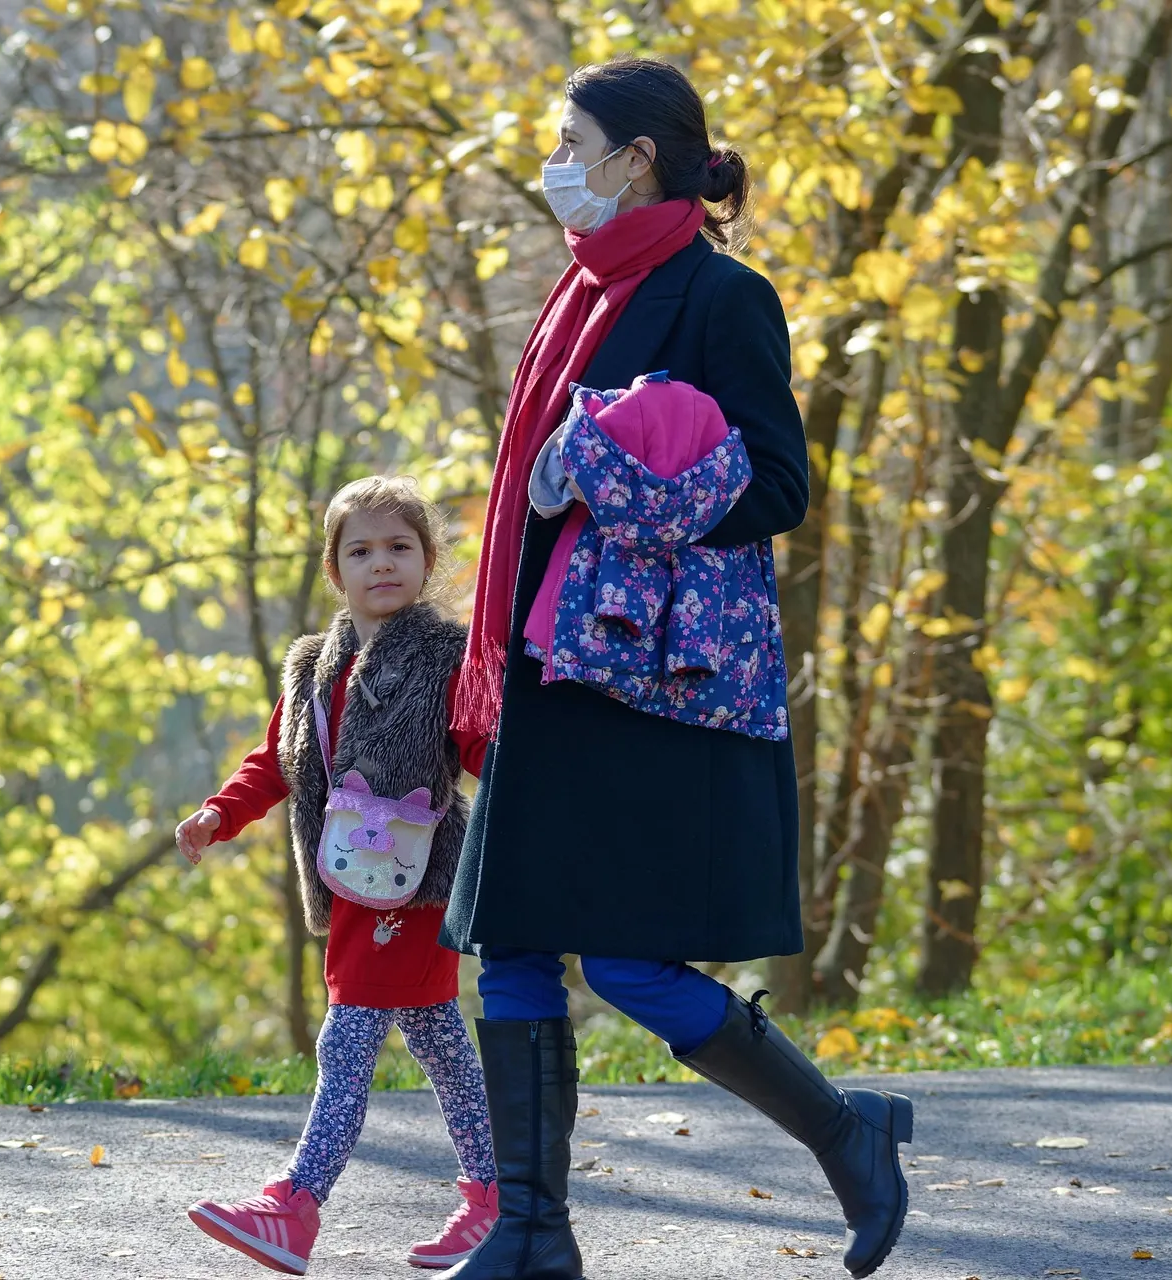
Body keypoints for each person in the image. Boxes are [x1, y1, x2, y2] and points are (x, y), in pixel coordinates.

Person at [437, 58, 913, 1280]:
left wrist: (606, 471)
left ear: (636, 155)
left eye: (570, 138)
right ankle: (535, 1233)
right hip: (549, 666)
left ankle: (848, 1133)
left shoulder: (722, 295)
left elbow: (776, 486)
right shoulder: (574, 296)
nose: (556, 158)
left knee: (635, 960)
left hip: (650, 680)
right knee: (518, 942)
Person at [176, 476, 497, 1275]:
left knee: (347, 1041)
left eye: (400, 547)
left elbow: (484, 751)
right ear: (334, 569)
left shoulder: (445, 658)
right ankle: (498, 1198)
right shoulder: (314, 667)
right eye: (361, 550)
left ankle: (295, 1205)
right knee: (440, 1044)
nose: (381, 564)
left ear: (428, 561)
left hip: (415, 884)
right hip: (351, 884)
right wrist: (220, 814)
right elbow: (274, 763)